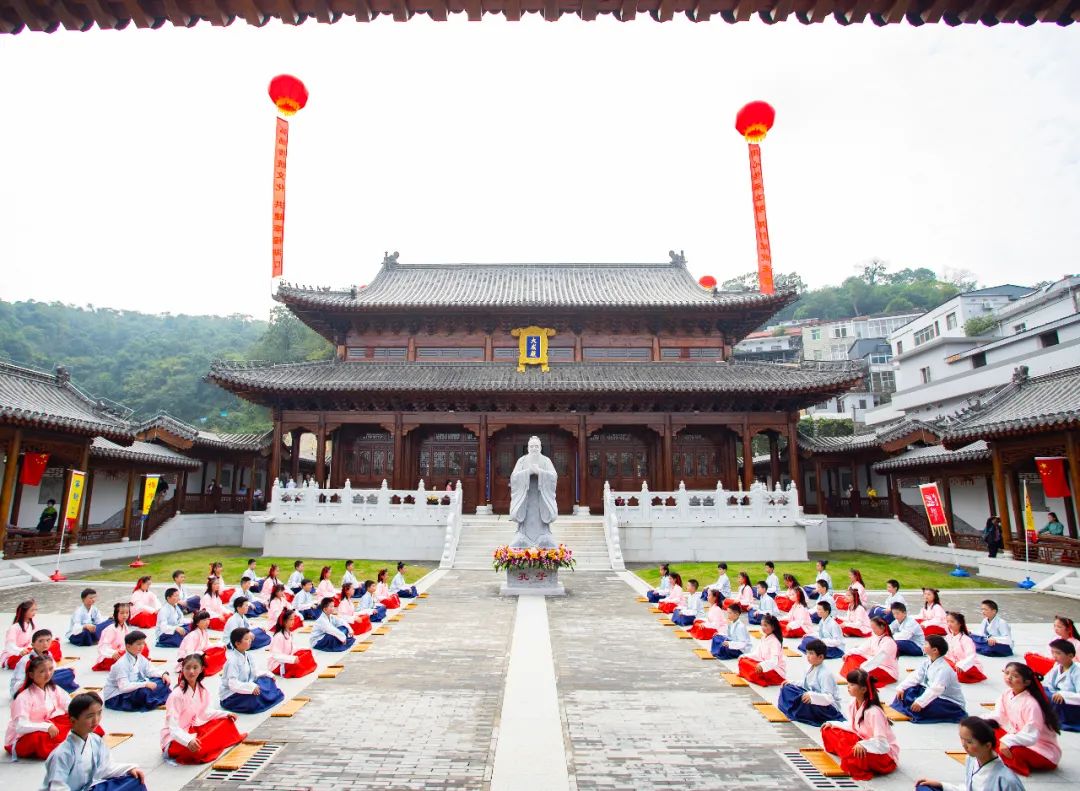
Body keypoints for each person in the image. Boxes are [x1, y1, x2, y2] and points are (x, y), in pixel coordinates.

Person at [40, 692, 146, 790]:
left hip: (91, 787)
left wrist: (129, 769)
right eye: (90, 716)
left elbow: (106, 768)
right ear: (73, 721)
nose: (96, 720)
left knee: (135, 780)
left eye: (99, 713)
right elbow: (57, 787)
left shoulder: (96, 740)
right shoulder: (62, 754)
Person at [162, 653, 246, 765]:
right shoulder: (176, 695)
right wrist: (188, 741)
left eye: (195, 667)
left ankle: (206, 744)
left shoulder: (201, 689)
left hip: (193, 729)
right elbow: (173, 728)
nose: (191, 671)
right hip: (175, 739)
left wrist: (224, 714)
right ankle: (204, 745)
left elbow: (205, 712)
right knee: (198, 748)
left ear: (201, 669)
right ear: (182, 669)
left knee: (226, 722)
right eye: (187, 668)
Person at [982, 662, 1061, 775]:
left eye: (1015, 676)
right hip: (1018, 737)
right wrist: (979, 722)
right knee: (986, 730)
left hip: (1040, 749)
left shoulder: (1031, 704)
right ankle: (1000, 752)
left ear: (1027, 682)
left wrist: (1007, 741)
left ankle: (1004, 755)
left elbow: (1031, 734)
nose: (1009, 677)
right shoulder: (1007, 694)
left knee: (1015, 751)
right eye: (1007, 673)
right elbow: (999, 716)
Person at [821, 669, 899, 781]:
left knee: (855, 754)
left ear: (863, 689)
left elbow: (882, 744)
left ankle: (849, 754)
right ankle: (849, 753)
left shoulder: (874, 712)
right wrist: (834, 724)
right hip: (862, 741)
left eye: (852, 685)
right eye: (848, 684)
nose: (848, 687)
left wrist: (864, 745)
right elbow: (853, 727)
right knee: (828, 730)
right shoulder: (853, 703)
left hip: (883, 754)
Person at [914, 716, 1025, 791]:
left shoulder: (1006, 780)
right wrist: (941, 785)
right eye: (962, 739)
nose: (964, 745)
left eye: (969, 742)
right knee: (923, 787)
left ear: (987, 745)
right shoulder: (972, 760)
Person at [893, 635, 967, 723]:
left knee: (924, 707)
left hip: (948, 701)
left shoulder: (945, 668)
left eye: (926, 644)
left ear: (935, 650)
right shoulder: (927, 661)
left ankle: (915, 707)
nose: (923, 646)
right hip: (931, 692)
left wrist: (921, 702)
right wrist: (901, 687)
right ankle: (914, 706)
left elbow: (936, 689)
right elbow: (916, 676)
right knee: (906, 692)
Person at [778, 639, 844, 726]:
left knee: (803, 702)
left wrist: (812, 697)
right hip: (810, 696)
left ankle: (797, 710)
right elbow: (806, 684)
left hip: (826, 707)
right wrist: (791, 682)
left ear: (820, 657)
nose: (808, 656)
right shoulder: (810, 667)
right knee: (787, 688)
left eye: (811, 653)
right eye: (807, 653)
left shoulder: (826, 674)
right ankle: (797, 708)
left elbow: (829, 698)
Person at [219, 628, 284, 714]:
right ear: (237, 643)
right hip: (232, 694)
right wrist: (250, 688)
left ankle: (262, 696)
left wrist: (268, 674)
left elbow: (254, 672)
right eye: (246, 639)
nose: (250, 641)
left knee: (267, 680)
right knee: (254, 697)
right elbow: (233, 684)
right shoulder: (233, 661)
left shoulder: (248, 655)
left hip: (247, 684)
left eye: (250, 638)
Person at [103, 631, 170, 712]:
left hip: (136, 684)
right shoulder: (121, 664)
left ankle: (152, 697)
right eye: (138, 644)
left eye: (143, 643)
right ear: (128, 646)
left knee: (162, 681)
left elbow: (150, 670)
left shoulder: (139, 657)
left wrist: (163, 674)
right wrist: (145, 684)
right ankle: (152, 698)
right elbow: (124, 687)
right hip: (116, 696)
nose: (141, 647)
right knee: (144, 692)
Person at [10, 629, 78, 696]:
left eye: (48, 640)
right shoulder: (26, 660)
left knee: (69, 672)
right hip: (26, 688)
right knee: (56, 680)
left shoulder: (48, 654)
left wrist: (66, 669)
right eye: (40, 641)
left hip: (43, 680)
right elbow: (19, 682)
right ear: (33, 644)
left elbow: (53, 670)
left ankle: (48, 690)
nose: (45, 643)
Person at [840, 617, 898, 685]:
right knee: (851, 657)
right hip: (874, 664)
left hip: (886, 671)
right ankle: (854, 677)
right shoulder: (874, 637)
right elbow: (861, 649)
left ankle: (855, 678)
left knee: (863, 674)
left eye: (874, 628)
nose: (873, 631)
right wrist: (848, 653)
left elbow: (878, 659)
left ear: (882, 627)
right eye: (872, 628)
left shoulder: (889, 642)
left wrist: (862, 669)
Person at [94, 603, 146, 672]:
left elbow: (128, 642)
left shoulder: (125, 626)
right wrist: (113, 653)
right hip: (110, 657)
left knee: (142, 646)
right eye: (122, 613)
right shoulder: (111, 629)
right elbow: (102, 647)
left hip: (122, 653)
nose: (125, 615)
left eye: (127, 613)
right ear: (116, 614)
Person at [1043, 638, 1080, 732]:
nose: (1054, 656)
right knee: (1038, 691)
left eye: (1058, 653)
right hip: (1056, 695)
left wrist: (1064, 695)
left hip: (1071, 704)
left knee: (1055, 700)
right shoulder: (1057, 666)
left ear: (1070, 656)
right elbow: (1047, 683)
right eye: (1053, 652)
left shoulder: (1077, 671)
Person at [267, 608, 317, 678]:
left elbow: (292, 648)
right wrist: (291, 659)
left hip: (288, 657)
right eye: (291, 619)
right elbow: (276, 655)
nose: (293, 621)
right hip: (277, 664)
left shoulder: (288, 632)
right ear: (284, 621)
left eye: (293, 619)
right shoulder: (279, 636)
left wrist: (304, 649)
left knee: (307, 653)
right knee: (299, 663)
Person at [738, 614, 786, 686]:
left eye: (765, 625)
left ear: (773, 627)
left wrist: (762, 665)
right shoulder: (764, 637)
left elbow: (774, 661)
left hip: (775, 671)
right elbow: (757, 654)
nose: (763, 628)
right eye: (762, 625)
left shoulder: (775, 641)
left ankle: (756, 677)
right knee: (743, 660)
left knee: (754, 669)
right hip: (763, 663)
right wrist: (745, 656)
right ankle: (753, 676)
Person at [175, 611, 226, 676]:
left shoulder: (204, 632)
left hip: (199, 655)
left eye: (208, 619)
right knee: (209, 659)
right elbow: (189, 653)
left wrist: (219, 645)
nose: (207, 622)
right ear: (197, 623)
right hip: (189, 659)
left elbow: (207, 646)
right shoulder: (193, 635)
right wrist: (202, 654)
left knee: (220, 649)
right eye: (204, 620)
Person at [946, 612, 988, 684]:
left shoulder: (966, 639)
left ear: (959, 624)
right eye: (948, 621)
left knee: (959, 675)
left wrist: (961, 665)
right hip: (955, 664)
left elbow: (971, 657)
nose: (949, 624)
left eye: (952, 622)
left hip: (968, 666)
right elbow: (946, 654)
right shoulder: (948, 637)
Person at [3, 599, 40, 669]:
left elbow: (37, 639)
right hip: (14, 655)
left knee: (54, 644)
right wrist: (21, 651)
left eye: (35, 610)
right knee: (32, 659)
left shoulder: (32, 625)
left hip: (28, 651)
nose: (35, 612)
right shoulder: (14, 628)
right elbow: (9, 646)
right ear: (24, 612)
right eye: (32, 610)